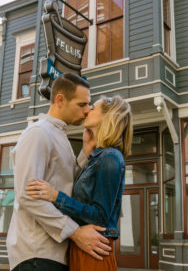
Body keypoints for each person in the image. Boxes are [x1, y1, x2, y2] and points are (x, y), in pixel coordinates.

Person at [7, 73, 111, 271]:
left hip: (53, 253)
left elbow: (65, 183)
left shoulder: (58, 135)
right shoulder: (38, 133)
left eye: (88, 105)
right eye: (82, 104)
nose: (87, 111)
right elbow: (29, 196)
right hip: (36, 254)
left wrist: (85, 153)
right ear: (60, 100)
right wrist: (76, 233)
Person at [26, 95, 133, 271]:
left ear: (107, 117)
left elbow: (100, 215)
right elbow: (77, 193)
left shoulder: (110, 157)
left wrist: (55, 196)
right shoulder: (97, 157)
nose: (87, 111)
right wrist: (85, 150)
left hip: (94, 251)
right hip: (82, 246)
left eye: (93, 108)